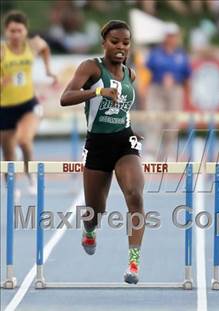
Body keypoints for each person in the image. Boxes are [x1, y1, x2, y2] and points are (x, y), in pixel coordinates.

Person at [60, 20, 144, 284]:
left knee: (135, 195)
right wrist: (97, 91)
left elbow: (123, 108)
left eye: (126, 43)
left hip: (124, 141)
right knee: (95, 211)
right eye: (115, 42)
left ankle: (133, 263)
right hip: (97, 145)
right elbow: (65, 97)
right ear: (104, 43)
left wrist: (130, 129)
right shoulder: (91, 67)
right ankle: (89, 230)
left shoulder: (130, 74)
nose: (121, 47)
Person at [0, 10, 57, 194]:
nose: (16, 35)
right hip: (5, 107)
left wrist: (48, 70)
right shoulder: (2, 51)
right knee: (8, 154)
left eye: (19, 30)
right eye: (12, 31)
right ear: (5, 32)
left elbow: (45, 47)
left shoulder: (32, 46)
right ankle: (11, 187)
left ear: (25, 31)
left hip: (28, 104)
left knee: (24, 140)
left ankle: (31, 175)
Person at [145, 22, 191, 161]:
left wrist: (185, 90)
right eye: (168, 35)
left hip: (175, 90)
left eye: (173, 36)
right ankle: (150, 152)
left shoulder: (181, 54)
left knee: (172, 122)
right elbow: (148, 69)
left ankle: (168, 152)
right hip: (156, 89)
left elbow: (187, 74)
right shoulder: (155, 53)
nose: (171, 38)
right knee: (154, 120)